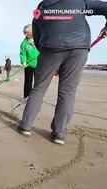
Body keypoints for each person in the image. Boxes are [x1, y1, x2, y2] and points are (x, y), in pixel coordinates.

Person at [17, 0, 107, 145]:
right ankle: (59, 134)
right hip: (79, 47)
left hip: (52, 47)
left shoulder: (43, 6)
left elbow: (37, 34)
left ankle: (26, 126)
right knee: (67, 92)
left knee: (39, 88)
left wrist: (46, 51)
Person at [20, 24, 39, 98]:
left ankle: (36, 98)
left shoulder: (39, 40)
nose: (25, 34)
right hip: (28, 65)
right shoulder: (24, 43)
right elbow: (22, 54)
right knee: (28, 82)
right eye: (24, 33)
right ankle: (27, 97)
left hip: (39, 65)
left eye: (27, 32)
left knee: (38, 82)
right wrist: (24, 62)